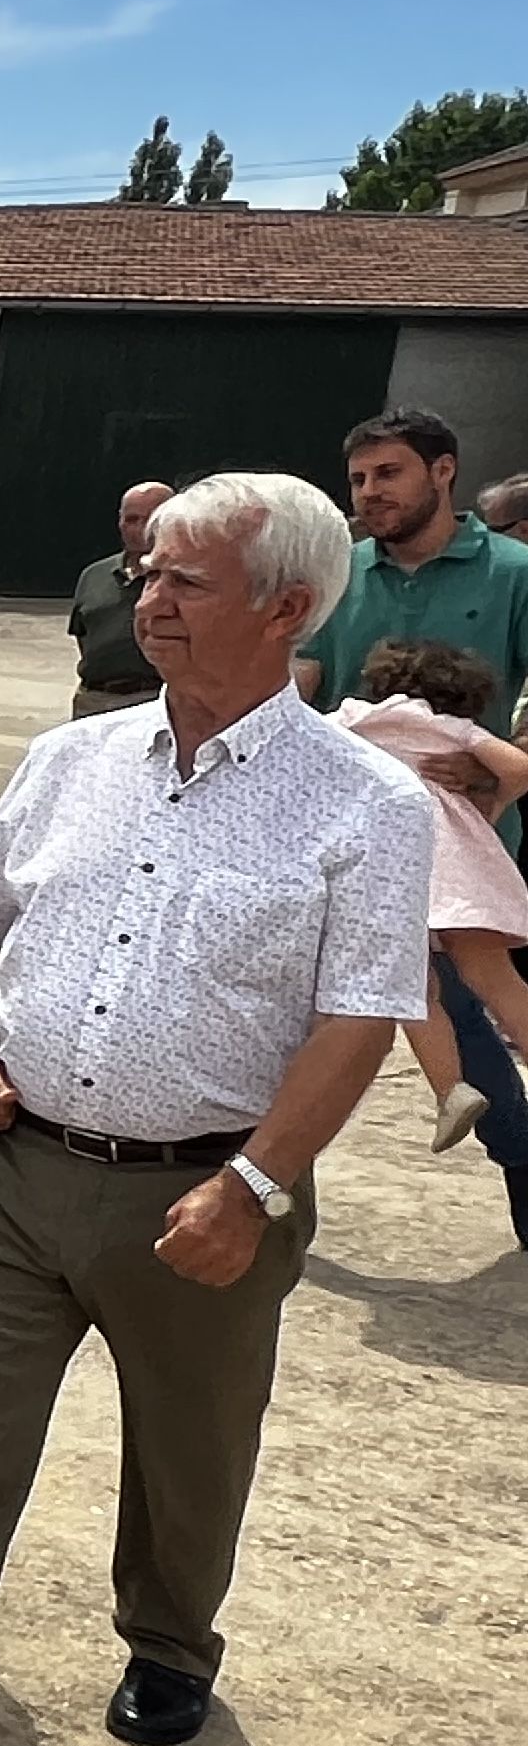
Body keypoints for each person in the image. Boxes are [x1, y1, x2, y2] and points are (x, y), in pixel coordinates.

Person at [0, 472, 434, 1746]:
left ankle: (168, 1647)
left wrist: (255, 1185)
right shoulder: (69, 760)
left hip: (202, 1193)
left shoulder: (370, 806)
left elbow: (358, 1020)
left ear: (288, 607)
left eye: (187, 579)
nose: (150, 598)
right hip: (17, 1174)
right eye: (148, 572)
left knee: (188, 1452)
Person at [294, 408, 528, 1254]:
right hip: (347, 851)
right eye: (358, 479)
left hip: (472, 848)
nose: (368, 494)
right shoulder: (340, 572)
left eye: (386, 475)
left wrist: (496, 765)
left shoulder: (515, 572)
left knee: (473, 1013)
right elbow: (304, 682)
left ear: (443, 473)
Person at [330, 639, 528, 1149]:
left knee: (413, 987)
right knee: (495, 977)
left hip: (392, 866)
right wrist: (495, 802)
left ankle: (450, 1088)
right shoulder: (452, 729)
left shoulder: (357, 718)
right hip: (459, 866)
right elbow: (520, 769)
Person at [67, 479, 171, 719]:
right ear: (120, 522)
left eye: (151, 519)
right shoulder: (95, 575)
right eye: (132, 519)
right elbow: (84, 634)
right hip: (92, 701)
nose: (141, 529)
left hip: (152, 702)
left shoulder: (186, 578)